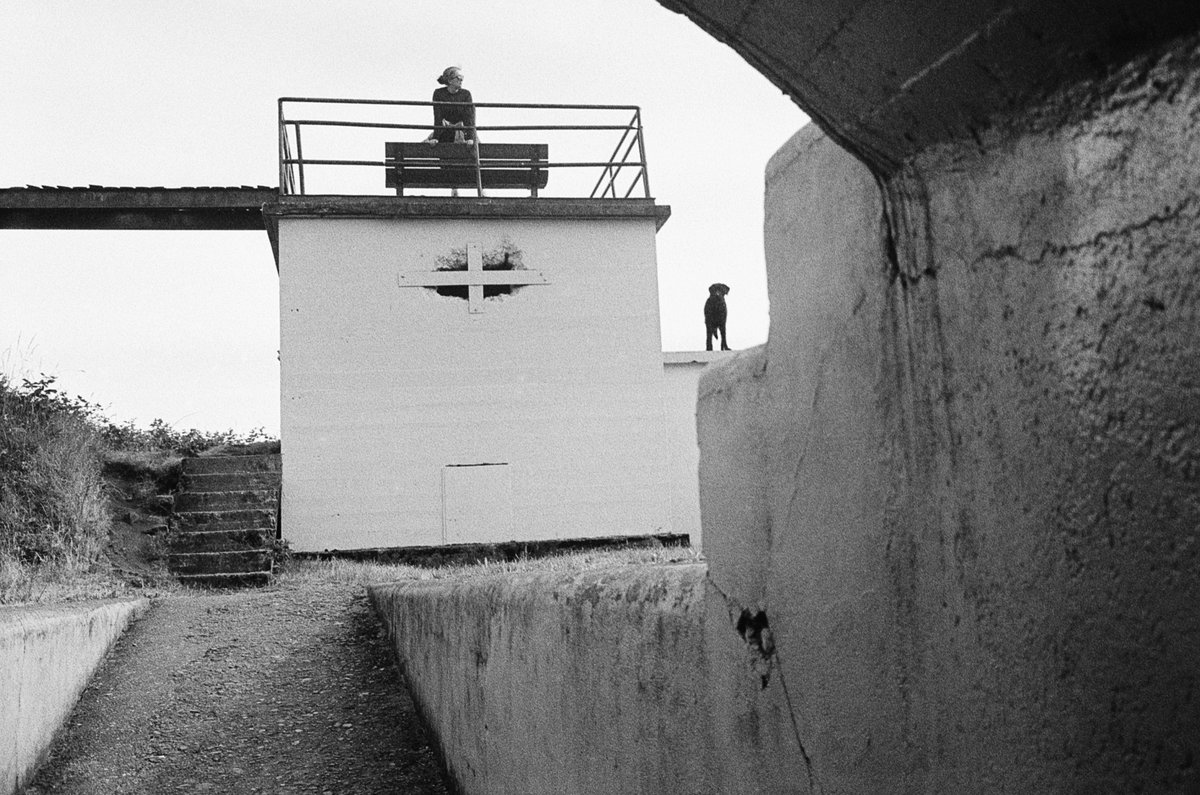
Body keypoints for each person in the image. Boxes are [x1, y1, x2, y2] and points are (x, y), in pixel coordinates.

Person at [424, 66, 476, 145]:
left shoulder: (466, 94)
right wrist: (435, 137)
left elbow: (469, 118)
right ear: (450, 80)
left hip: (463, 130)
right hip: (445, 129)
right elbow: (437, 116)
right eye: (459, 77)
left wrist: (470, 138)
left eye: (462, 77)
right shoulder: (439, 94)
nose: (461, 80)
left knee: (474, 148)